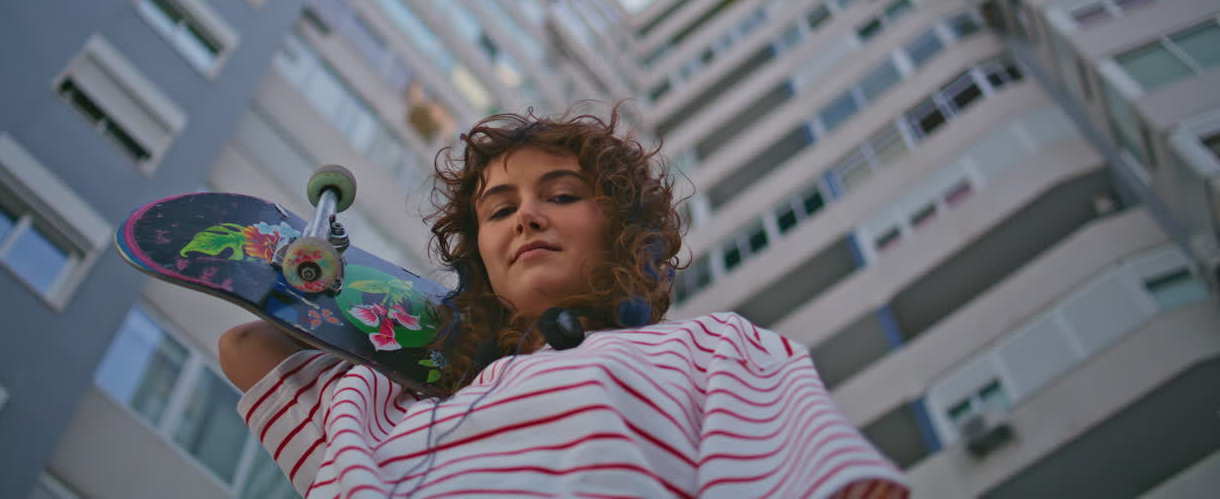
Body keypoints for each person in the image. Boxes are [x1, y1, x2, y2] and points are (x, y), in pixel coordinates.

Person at [220, 107, 910, 498]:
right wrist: (343, 296)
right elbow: (247, 348)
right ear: (479, 258)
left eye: (561, 196)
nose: (527, 216)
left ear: (620, 229)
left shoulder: (709, 348)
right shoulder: (400, 409)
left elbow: (837, 487)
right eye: (500, 211)